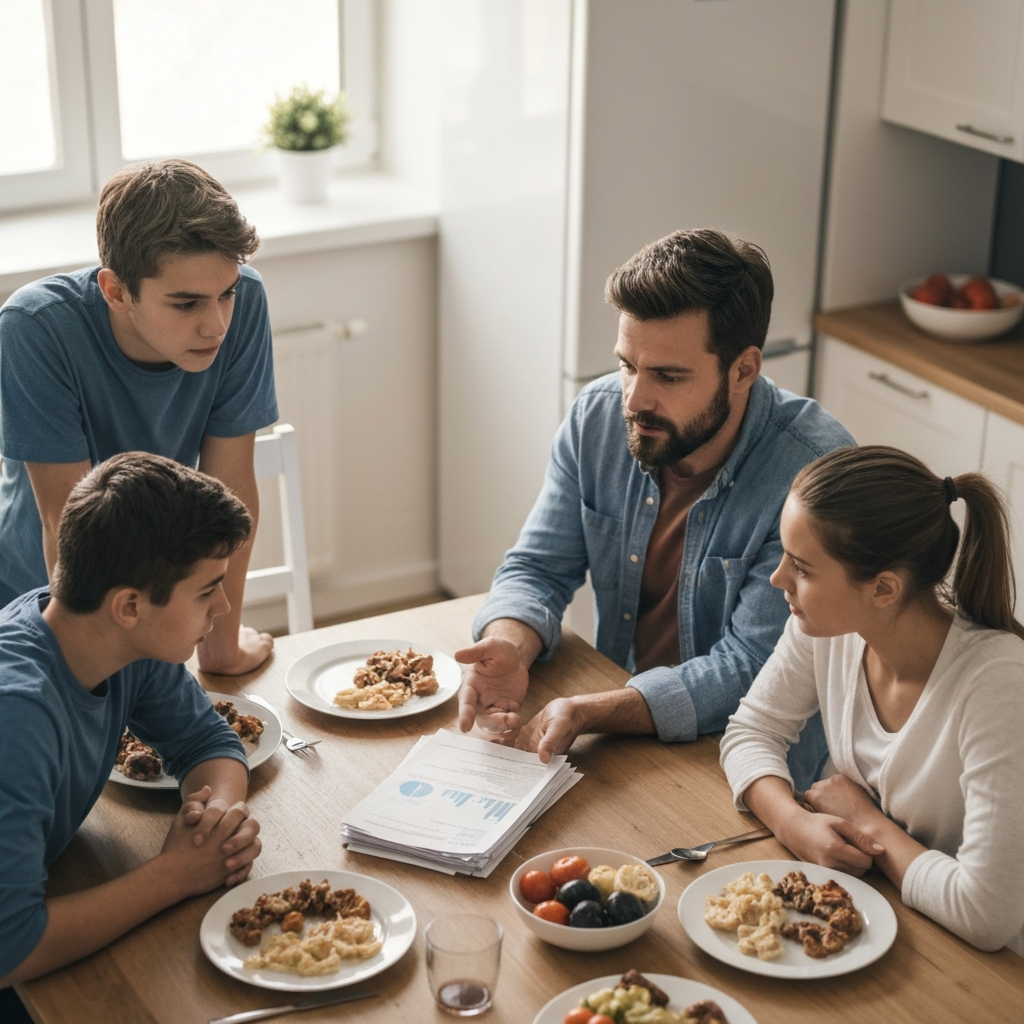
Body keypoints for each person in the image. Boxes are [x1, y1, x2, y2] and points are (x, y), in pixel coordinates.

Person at [455, 228, 853, 789]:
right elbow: (538, 567)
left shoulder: (814, 472)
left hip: (753, 771)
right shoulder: (598, 418)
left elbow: (748, 670)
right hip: (624, 731)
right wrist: (511, 642)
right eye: (627, 365)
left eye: (668, 376)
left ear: (743, 369)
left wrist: (593, 711)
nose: (636, 399)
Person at [720, 446, 1024, 955]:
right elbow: (752, 731)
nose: (778, 580)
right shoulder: (830, 628)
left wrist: (868, 823)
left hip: (987, 969)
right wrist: (794, 824)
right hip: (894, 917)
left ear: (883, 588)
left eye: (803, 569)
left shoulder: (998, 684)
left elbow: (986, 914)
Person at [0, 158, 277, 675]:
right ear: (116, 291)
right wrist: (88, 677)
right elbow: (67, 522)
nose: (216, 325)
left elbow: (231, 486)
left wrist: (219, 648)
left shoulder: (247, 300)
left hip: (155, 597)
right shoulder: (33, 327)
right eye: (186, 303)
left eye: (226, 294)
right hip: (41, 610)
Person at [0, 452, 264, 991]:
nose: (224, 609)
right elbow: (11, 948)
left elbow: (206, 738)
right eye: (208, 589)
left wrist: (215, 821)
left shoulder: (120, 641)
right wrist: (176, 874)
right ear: (129, 606)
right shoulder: (16, 716)